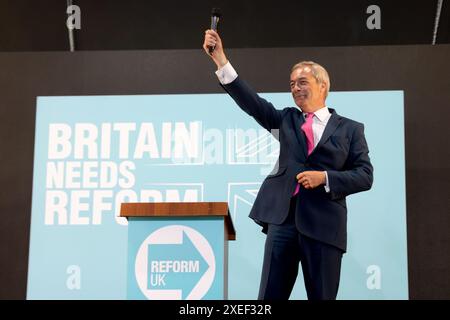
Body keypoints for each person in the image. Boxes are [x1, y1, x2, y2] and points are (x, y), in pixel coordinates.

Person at [203, 30, 373, 300]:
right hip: (283, 221)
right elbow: (252, 103)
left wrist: (325, 178)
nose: (295, 88)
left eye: (302, 82)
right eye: (292, 83)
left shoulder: (350, 129)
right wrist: (221, 60)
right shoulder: (287, 119)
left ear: (323, 86)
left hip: (324, 226)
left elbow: (365, 175)